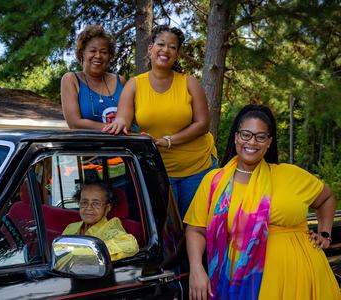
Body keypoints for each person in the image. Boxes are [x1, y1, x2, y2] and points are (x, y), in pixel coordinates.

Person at [184, 104, 340, 300]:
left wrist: (325, 233)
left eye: (260, 137)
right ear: (236, 137)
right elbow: (195, 229)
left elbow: (326, 198)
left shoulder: (290, 175)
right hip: (242, 283)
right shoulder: (215, 181)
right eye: (246, 134)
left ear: (269, 142)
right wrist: (197, 269)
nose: (252, 142)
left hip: (302, 276)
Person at [102, 25, 217, 218]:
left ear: (177, 54)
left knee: (195, 228)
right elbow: (124, 117)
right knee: (167, 229)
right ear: (150, 48)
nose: (165, 50)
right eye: (161, 44)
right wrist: (120, 124)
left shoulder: (189, 82)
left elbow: (202, 124)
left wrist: (168, 140)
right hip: (159, 170)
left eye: (172, 47)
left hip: (198, 167)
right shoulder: (135, 84)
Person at [61, 25, 126, 129]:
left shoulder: (120, 81)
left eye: (104, 52)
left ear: (110, 56)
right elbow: (74, 123)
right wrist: (114, 129)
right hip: (88, 144)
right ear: (82, 53)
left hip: (121, 144)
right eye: (92, 51)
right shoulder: (71, 79)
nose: (98, 56)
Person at [62, 180, 139, 261]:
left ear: (107, 208)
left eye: (96, 203)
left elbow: (130, 244)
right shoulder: (71, 227)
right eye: (84, 202)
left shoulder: (111, 227)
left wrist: (86, 252)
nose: (89, 208)